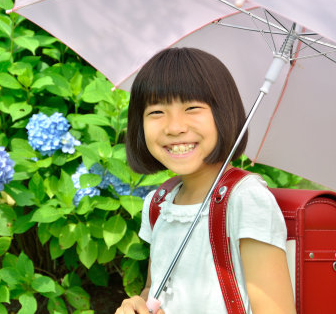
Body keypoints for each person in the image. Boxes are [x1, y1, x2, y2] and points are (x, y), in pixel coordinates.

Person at [115, 48, 295, 314]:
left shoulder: (245, 200)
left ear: (225, 113)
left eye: (192, 108)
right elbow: (158, 290)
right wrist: (138, 304)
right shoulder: (159, 203)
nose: (174, 127)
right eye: (156, 112)